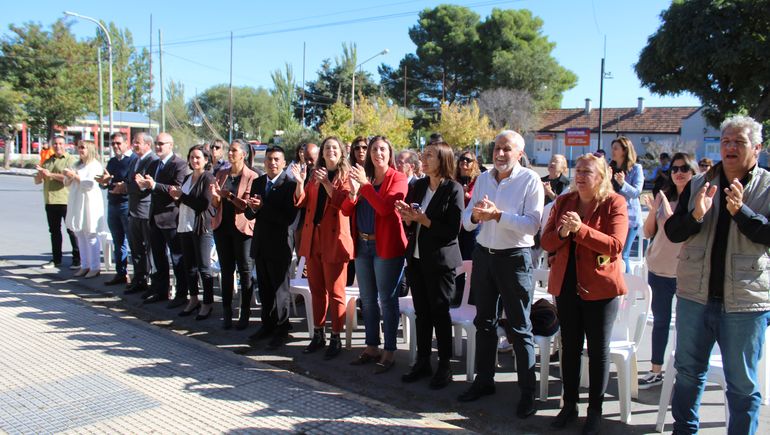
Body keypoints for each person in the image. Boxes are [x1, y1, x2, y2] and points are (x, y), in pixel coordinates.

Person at [664, 115, 770, 435]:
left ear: (757, 148)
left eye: (739, 142)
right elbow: (673, 232)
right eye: (725, 141)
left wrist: (742, 213)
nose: (730, 147)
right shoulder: (699, 183)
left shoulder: (767, 186)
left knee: (741, 387)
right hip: (694, 297)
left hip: (745, 304)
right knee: (687, 374)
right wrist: (696, 214)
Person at [458, 130, 543, 421]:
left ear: (519, 154)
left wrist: (497, 216)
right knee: (484, 322)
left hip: (514, 259)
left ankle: (527, 392)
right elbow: (466, 221)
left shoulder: (530, 180)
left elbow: (533, 225)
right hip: (484, 256)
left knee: (519, 327)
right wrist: (475, 217)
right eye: (497, 148)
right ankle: (484, 381)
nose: (500, 154)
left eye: (507, 149)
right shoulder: (483, 178)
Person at [540, 153, 628, 434]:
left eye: (587, 172)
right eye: (577, 170)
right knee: (570, 348)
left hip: (600, 289)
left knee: (598, 351)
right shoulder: (563, 201)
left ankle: (595, 411)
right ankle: (569, 406)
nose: (579, 176)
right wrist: (565, 233)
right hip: (566, 284)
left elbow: (615, 245)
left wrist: (581, 230)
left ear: (601, 176)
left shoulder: (615, 203)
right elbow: (546, 241)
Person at [396, 141, 463, 388]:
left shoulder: (453, 189)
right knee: (422, 314)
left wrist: (424, 220)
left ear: (443, 160)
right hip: (415, 259)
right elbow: (413, 220)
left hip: (440, 262)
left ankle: (444, 366)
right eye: (423, 155)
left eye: (430, 156)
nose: (423, 160)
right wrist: (407, 217)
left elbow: (451, 231)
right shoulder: (420, 185)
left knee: (439, 314)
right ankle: (422, 362)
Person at [291, 136, 355, 360]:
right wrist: (300, 183)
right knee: (316, 290)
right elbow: (301, 202)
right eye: (327, 148)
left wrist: (328, 184)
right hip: (313, 238)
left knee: (336, 293)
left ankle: (336, 336)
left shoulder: (346, 177)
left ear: (341, 153)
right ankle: (318, 334)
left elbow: (346, 205)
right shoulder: (314, 176)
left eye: (334, 147)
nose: (330, 151)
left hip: (334, 240)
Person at [348, 136, 408, 374]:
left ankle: (390, 350)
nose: (377, 153)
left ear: (389, 152)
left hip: (386, 247)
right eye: (374, 149)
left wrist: (364, 186)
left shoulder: (398, 178)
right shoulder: (365, 177)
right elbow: (345, 209)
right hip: (362, 245)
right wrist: (354, 193)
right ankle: (372, 346)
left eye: (382, 149)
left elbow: (385, 209)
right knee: (368, 300)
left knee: (387, 300)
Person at [637, 152, 696, 389]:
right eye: (674, 169)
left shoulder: (697, 201)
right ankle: (656, 370)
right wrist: (653, 210)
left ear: (693, 172)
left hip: (687, 271)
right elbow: (648, 232)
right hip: (659, 268)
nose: (679, 173)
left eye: (684, 168)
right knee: (660, 321)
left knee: (686, 325)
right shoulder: (663, 197)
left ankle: (685, 372)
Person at [244, 145, 298, 349]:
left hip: (280, 244)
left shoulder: (290, 185)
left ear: (284, 163)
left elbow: (287, 218)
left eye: (276, 159)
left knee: (280, 290)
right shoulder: (258, 182)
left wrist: (263, 207)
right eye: (268, 159)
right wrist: (250, 207)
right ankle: (267, 324)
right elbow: (250, 215)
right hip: (260, 242)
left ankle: (283, 329)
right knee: (264, 287)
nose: (272, 163)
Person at [136, 132, 189, 308]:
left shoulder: (179, 164)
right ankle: (161, 290)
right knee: (158, 257)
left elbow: (177, 189)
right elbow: (150, 188)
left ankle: (182, 294)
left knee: (177, 258)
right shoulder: (153, 164)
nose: (158, 147)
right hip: (155, 216)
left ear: (170, 145)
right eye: (156, 144)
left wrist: (154, 185)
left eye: (161, 144)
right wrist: (143, 185)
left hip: (171, 217)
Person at [211, 139, 259, 330]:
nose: (230, 154)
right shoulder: (221, 174)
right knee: (226, 270)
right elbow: (215, 204)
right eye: (229, 151)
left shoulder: (252, 176)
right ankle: (227, 311)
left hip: (243, 230)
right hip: (223, 227)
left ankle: (244, 313)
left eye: (234, 151)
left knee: (245, 272)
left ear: (243, 154)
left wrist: (228, 196)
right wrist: (216, 197)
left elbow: (246, 206)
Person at [168, 145, 216, 319]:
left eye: (198, 157)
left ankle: (208, 302)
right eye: (192, 157)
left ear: (206, 160)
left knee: (204, 267)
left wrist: (181, 196)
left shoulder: (208, 178)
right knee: (189, 267)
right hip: (184, 225)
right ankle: (193, 298)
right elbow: (182, 202)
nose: (194, 160)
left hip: (201, 227)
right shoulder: (188, 177)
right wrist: (176, 197)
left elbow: (203, 204)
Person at [97, 132, 137, 286]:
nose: (116, 146)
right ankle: (121, 273)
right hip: (113, 203)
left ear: (126, 143)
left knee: (132, 241)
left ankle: (138, 276)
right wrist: (104, 182)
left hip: (126, 204)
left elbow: (133, 183)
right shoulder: (112, 161)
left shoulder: (132, 160)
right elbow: (105, 182)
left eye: (119, 143)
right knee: (117, 240)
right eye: (113, 143)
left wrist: (123, 187)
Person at [120, 133, 158, 296]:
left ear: (147, 145)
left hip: (145, 210)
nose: (134, 145)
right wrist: (124, 185)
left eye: (138, 143)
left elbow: (146, 186)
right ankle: (139, 279)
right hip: (133, 210)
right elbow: (131, 181)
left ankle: (152, 282)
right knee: (136, 248)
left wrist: (127, 187)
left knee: (150, 249)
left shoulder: (153, 161)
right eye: (133, 142)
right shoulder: (135, 160)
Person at [34, 135, 80, 269]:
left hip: (65, 200)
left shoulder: (71, 160)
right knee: (54, 231)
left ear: (65, 145)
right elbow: (38, 181)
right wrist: (40, 174)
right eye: (55, 144)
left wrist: (50, 175)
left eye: (60, 144)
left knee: (71, 230)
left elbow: (68, 178)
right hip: (50, 200)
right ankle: (56, 259)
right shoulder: (47, 161)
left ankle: (77, 259)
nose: (58, 146)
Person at [63, 140, 107, 279]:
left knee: (91, 233)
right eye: (79, 147)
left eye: (83, 148)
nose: (80, 150)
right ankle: (85, 265)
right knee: (80, 233)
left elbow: (89, 184)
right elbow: (66, 182)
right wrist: (69, 176)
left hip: (89, 202)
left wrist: (74, 176)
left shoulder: (95, 165)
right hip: (77, 201)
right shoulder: (77, 164)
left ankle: (95, 267)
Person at [609, 136, 643, 272]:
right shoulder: (610, 168)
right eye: (612, 148)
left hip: (631, 218)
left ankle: (626, 285)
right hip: (613, 215)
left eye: (616, 148)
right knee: (612, 252)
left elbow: (636, 192)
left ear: (624, 150)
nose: (613, 151)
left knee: (624, 254)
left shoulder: (636, 168)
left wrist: (623, 183)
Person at [455, 150, 481, 260]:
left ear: (474, 163)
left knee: (470, 260)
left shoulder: (478, 180)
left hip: (472, 224)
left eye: (468, 160)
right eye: (462, 159)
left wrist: (466, 195)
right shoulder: (454, 179)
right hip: (456, 225)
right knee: (457, 260)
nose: (464, 161)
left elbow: (478, 199)